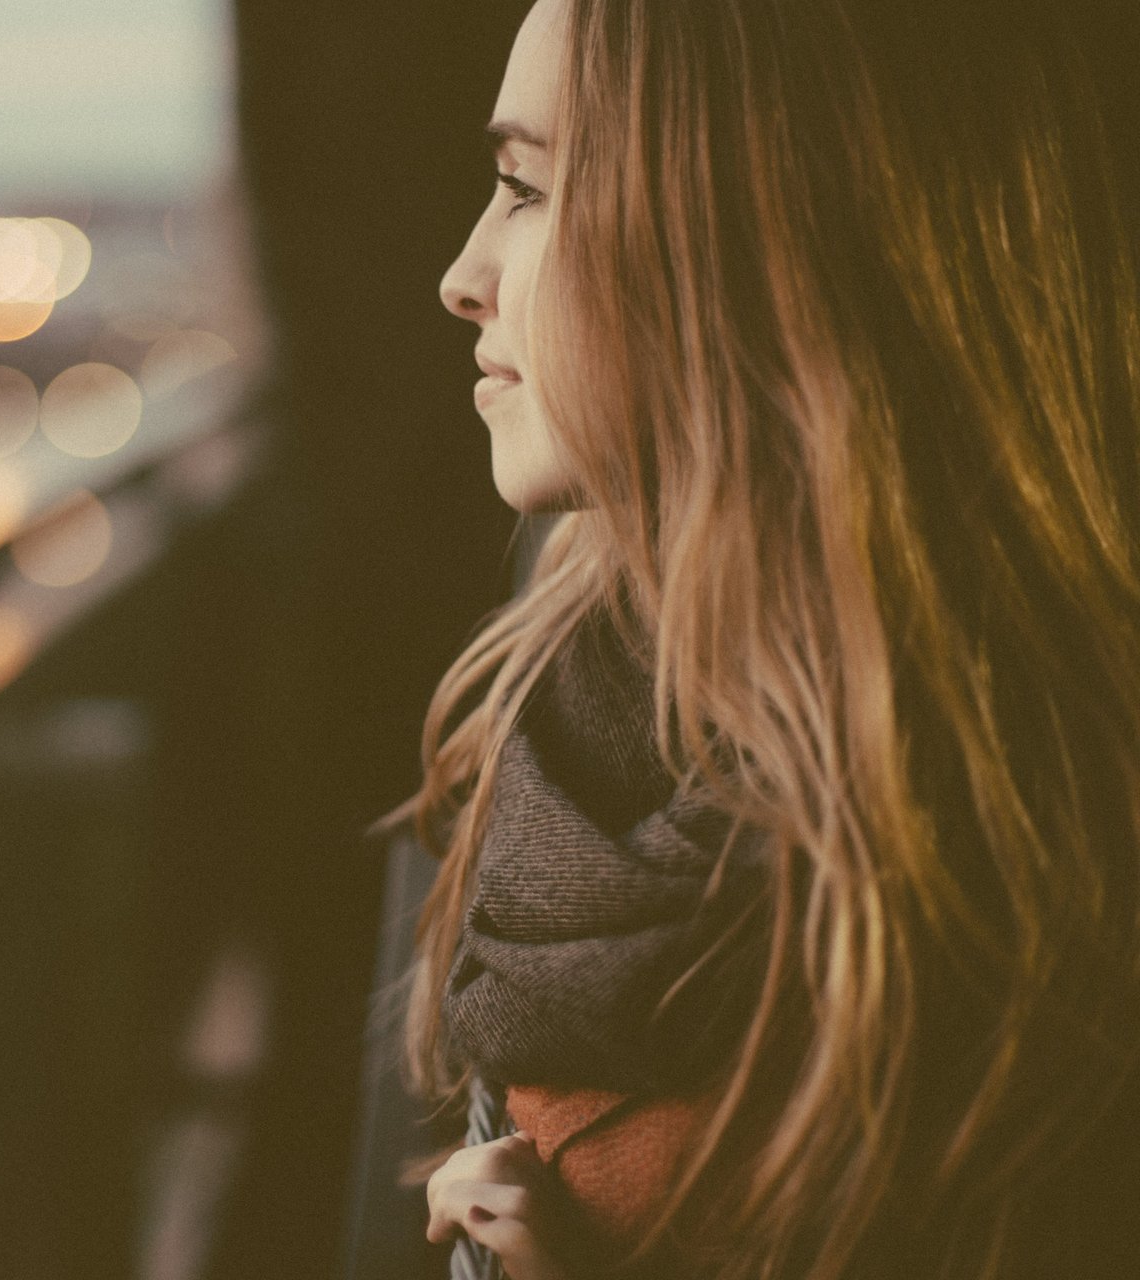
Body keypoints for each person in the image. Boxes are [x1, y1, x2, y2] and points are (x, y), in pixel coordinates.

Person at [371, 0, 1140, 1276]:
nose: (462, 275)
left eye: (527, 190)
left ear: (766, 232)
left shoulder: (1033, 883)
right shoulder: (561, 709)